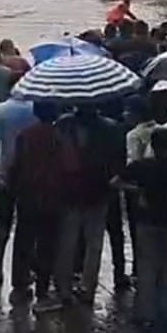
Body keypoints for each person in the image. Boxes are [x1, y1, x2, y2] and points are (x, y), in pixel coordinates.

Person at [53, 102, 121, 308]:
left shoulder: (63, 125)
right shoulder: (111, 127)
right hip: (99, 191)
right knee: (95, 242)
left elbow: (55, 156)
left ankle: (63, 288)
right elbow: (118, 160)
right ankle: (87, 287)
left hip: (70, 191)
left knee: (67, 241)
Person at [116, 127, 167, 328]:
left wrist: (137, 190)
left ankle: (146, 314)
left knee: (147, 267)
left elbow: (115, 182)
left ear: (152, 145)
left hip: (147, 222)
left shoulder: (141, 166)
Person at [9, 102, 67, 312]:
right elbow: (68, 166)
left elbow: (15, 164)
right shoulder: (59, 136)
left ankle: (19, 285)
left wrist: (13, 187)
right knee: (47, 244)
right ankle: (43, 293)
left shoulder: (25, 135)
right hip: (52, 197)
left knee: (23, 239)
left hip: (27, 195)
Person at [0, 93, 37, 287]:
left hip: (5, 173)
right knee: (26, 224)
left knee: (2, 220)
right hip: (30, 174)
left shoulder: (1, 109)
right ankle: (23, 272)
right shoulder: (35, 109)